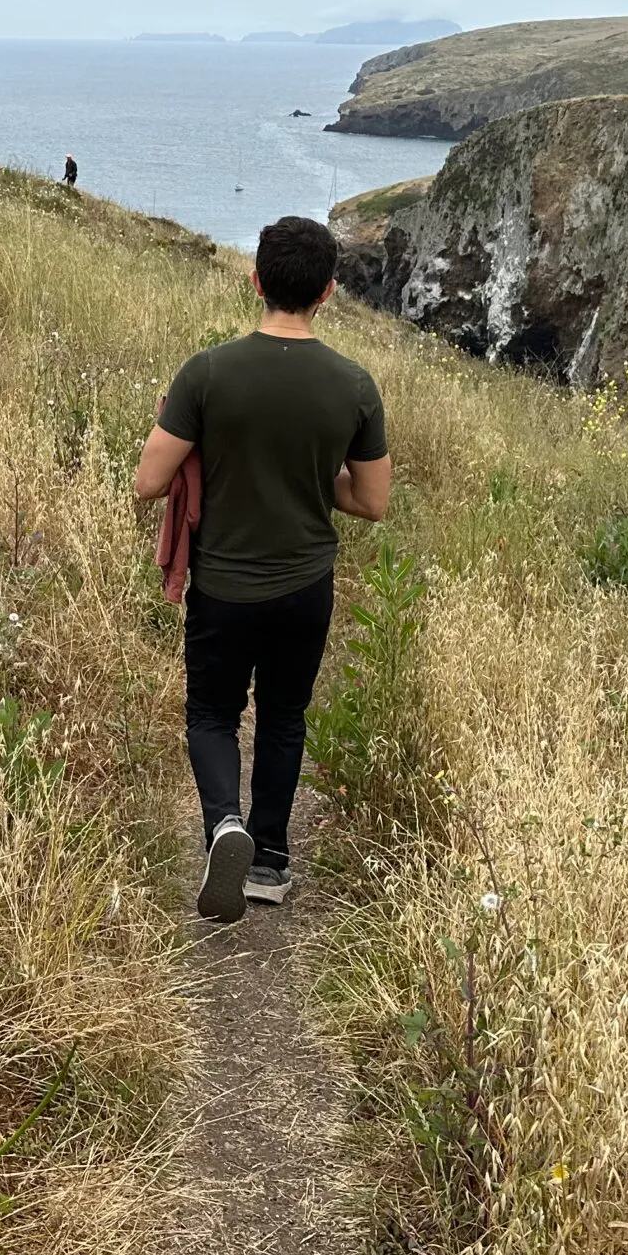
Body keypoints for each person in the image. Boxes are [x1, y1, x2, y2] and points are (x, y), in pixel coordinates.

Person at [131, 215, 390, 921]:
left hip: (223, 585)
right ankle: (270, 863)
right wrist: (313, 478)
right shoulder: (354, 385)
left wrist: (205, 455)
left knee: (213, 713)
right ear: (328, 292)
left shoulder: (206, 372)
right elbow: (371, 501)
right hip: (305, 587)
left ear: (255, 282)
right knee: (283, 716)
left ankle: (225, 826)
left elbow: (148, 483)